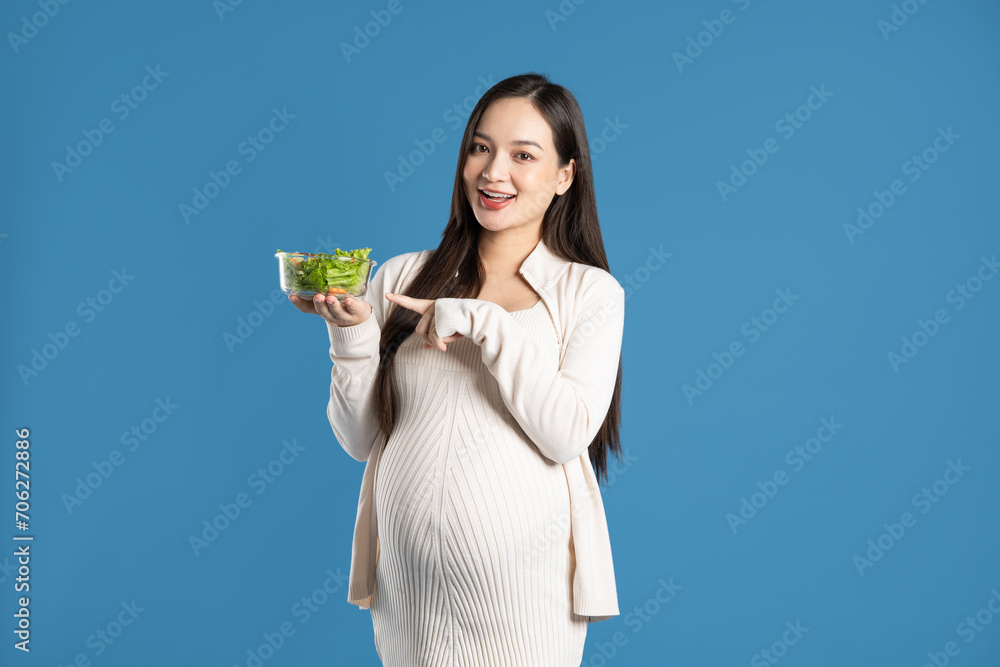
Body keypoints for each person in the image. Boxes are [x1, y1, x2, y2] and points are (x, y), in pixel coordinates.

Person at [289, 72, 625, 667]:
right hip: (409, 596)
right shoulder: (401, 278)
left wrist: (483, 323)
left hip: (526, 601)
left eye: (524, 155)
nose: (494, 172)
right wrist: (349, 331)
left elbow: (567, 432)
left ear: (565, 175)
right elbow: (360, 438)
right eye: (480, 147)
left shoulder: (587, 292)